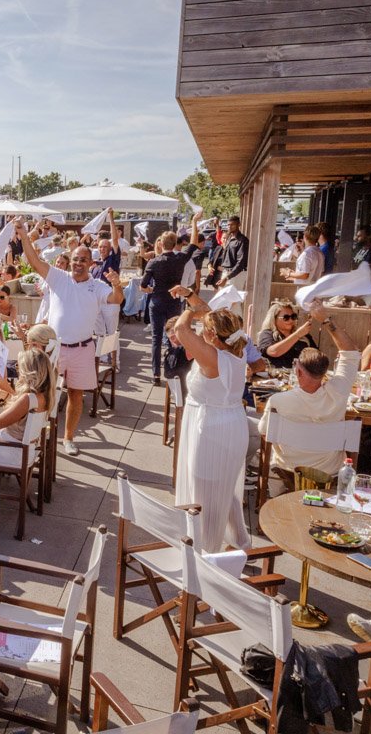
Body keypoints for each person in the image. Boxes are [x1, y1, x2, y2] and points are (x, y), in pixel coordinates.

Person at [15, 218, 123, 456]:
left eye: (83, 260)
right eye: (75, 259)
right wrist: (23, 235)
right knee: (42, 392)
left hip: (83, 348)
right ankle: (38, 435)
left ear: (91, 263)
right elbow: (33, 261)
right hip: (54, 348)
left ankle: (68, 438)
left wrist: (117, 285)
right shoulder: (58, 277)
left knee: (76, 394)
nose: (78, 263)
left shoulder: (98, 286)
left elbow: (116, 299)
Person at [169, 288, 250, 552]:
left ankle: (206, 552)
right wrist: (191, 295)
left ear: (213, 335)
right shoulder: (236, 348)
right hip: (230, 423)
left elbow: (181, 330)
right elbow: (208, 314)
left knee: (204, 495)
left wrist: (190, 310)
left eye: (205, 329)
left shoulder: (213, 358)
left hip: (211, 429)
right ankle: (240, 542)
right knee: (225, 489)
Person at [259, 303, 358, 482]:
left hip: (288, 470)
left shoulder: (278, 400)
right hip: (329, 472)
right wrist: (326, 320)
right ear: (325, 372)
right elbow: (350, 353)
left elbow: (265, 433)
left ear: (298, 371)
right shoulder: (339, 392)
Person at [0, 348, 54, 443]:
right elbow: (21, 410)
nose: (18, 371)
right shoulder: (44, 395)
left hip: (12, 447)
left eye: (19, 367)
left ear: (28, 371)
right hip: (23, 444)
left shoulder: (28, 398)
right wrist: (8, 396)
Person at [142, 231, 191, 385]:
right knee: (174, 336)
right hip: (173, 301)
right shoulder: (180, 259)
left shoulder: (154, 262)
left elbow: (143, 285)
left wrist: (150, 290)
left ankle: (156, 374)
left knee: (156, 338)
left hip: (157, 301)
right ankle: (174, 368)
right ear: (175, 244)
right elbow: (194, 245)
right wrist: (194, 224)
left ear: (161, 244)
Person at [256, 300, 317, 370]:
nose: (291, 320)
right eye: (286, 317)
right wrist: (297, 335)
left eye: (293, 316)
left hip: (301, 374)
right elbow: (273, 352)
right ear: (274, 319)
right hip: (277, 375)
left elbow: (316, 356)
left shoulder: (303, 335)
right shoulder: (267, 334)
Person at [216, 215, 249, 290]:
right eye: (228, 225)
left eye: (232, 225)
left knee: (234, 296)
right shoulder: (229, 237)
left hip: (237, 274)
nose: (229, 227)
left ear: (239, 224)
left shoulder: (243, 240)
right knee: (222, 295)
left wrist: (227, 277)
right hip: (226, 272)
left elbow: (241, 262)